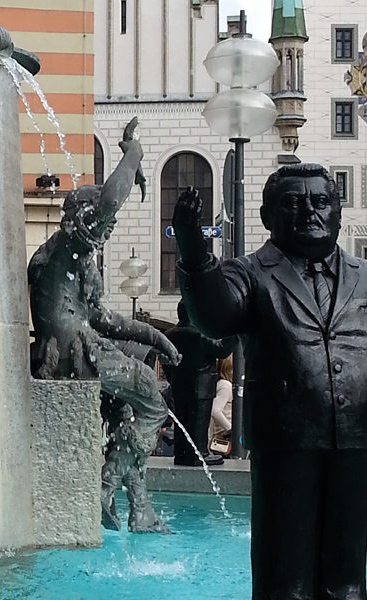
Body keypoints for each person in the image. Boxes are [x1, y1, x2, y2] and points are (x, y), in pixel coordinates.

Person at [172, 163, 367, 600]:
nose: (309, 212)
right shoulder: (252, 272)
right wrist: (194, 253)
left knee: (349, 575)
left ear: (338, 210)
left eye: (320, 202)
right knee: (287, 577)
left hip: (356, 436)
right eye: (293, 204)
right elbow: (214, 317)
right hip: (286, 435)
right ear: (267, 217)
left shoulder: (364, 275)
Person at [29, 122, 180, 533]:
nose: (106, 230)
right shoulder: (65, 249)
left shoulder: (75, 263)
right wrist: (133, 153)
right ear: (82, 218)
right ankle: (103, 487)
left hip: (73, 344)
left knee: (127, 411)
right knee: (151, 396)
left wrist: (156, 336)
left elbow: (104, 318)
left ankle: (140, 508)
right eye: (100, 224)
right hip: (74, 351)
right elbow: (111, 201)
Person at [163, 301, 233, 466]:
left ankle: (181, 453)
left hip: (179, 385)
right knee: (198, 422)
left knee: (182, 421)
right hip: (201, 385)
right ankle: (199, 454)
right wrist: (232, 330)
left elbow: (164, 360)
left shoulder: (169, 335)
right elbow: (223, 350)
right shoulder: (200, 334)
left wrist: (172, 378)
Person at [209, 354, 232, 443]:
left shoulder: (222, 384)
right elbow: (215, 410)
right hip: (225, 437)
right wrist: (230, 428)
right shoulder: (225, 386)